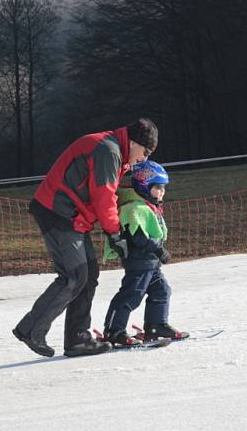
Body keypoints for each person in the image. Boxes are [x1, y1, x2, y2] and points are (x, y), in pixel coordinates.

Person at [13, 118, 158, 357]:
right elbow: (103, 196)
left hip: (72, 216)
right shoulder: (108, 150)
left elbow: (106, 195)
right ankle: (30, 329)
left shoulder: (114, 151)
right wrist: (114, 232)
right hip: (57, 211)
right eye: (145, 152)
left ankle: (78, 340)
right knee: (74, 275)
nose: (145, 159)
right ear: (133, 143)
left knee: (88, 274)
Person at [101, 160, 189, 344]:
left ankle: (156, 325)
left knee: (162, 291)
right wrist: (158, 250)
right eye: (157, 187)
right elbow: (138, 237)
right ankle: (113, 331)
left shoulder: (148, 205)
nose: (162, 192)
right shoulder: (134, 208)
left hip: (151, 263)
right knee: (131, 295)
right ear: (144, 185)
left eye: (163, 187)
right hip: (138, 262)